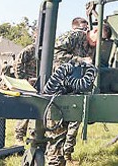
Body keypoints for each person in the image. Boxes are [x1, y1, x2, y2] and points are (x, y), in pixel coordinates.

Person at [46, 17, 108, 166]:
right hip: (59, 89)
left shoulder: (91, 47)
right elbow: (54, 54)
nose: (99, 43)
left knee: (69, 128)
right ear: (94, 31)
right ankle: (53, 162)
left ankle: (63, 159)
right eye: (99, 39)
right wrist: (80, 60)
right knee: (57, 130)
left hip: (74, 91)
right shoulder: (74, 36)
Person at [13, 37, 37, 144]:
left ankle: (33, 136)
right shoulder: (29, 50)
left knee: (37, 110)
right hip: (28, 85)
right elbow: (18, 65)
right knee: (26, 110)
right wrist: (23, 81)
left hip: (39, 84)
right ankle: (19, 135)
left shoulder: (46, 50)